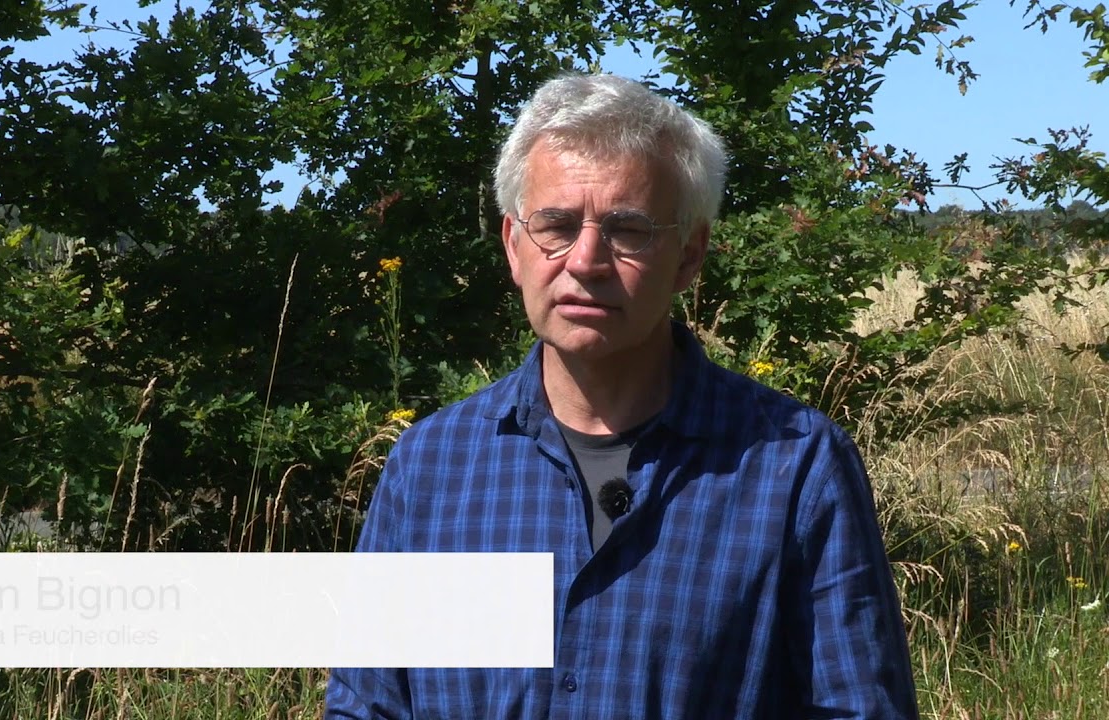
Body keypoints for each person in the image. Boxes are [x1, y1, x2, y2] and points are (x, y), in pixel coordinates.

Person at [324, 73, 918, 719]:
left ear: (689, 256)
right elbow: (368, 705)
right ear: (514, 245)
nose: (586, 260)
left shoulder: (794, 467)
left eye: (627, 230)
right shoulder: (433, 468)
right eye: (554, 224)